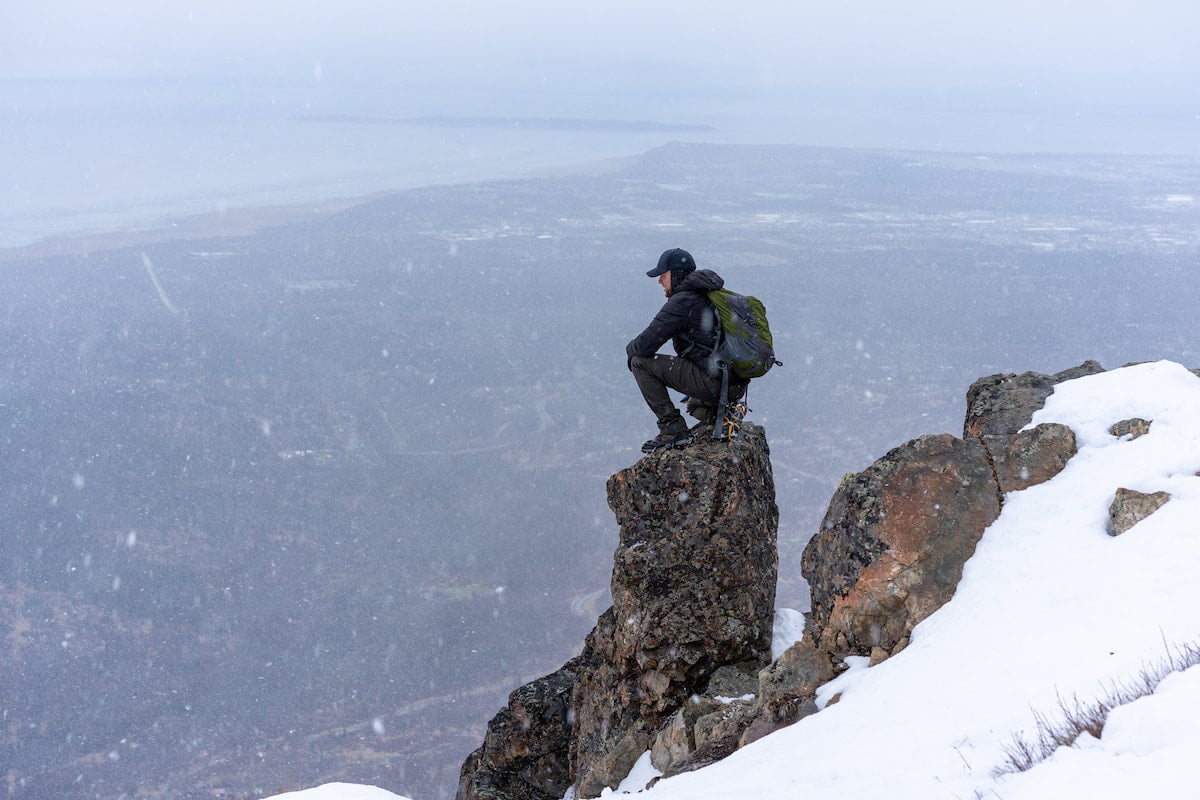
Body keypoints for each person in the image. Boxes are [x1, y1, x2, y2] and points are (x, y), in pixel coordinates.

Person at [626, 248, 748, 453]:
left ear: (675, 275)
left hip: (715, 382)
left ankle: (673, 429)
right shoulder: (708, 294)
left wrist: (629, 350)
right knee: (693, 405)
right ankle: (724, 414)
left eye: (663, 276)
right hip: (732, 383)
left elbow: (645, 345)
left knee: (639, 362)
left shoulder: (683, 301)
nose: (660, 282)